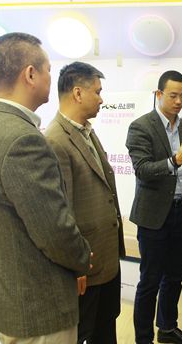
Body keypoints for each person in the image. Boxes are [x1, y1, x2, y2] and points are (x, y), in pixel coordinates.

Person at [0, 32, 91, 343]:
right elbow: (53, 230)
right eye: (49, 69)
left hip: (16, 299)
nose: (51, 77)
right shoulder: (23, 139)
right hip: (39, 306)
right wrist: (83, 256)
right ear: (31, 74)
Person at [45, 62, 125, 344]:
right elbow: (61, 212)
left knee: (106, 326)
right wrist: (76, 265)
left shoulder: (86, 131)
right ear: (78, 93)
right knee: (84, 333)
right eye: (97, 92)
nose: (101, 99)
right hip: (85, 264)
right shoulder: (55, 140)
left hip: (105, 257)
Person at [125, 70, 182, 344]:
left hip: (181, 210)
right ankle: (143, 339)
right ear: (158, 94)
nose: (179, 101)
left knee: (174, 276)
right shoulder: (141, 126)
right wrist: (175, 160)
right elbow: (142, 170)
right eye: (173, 95)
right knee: (149, 281)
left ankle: (167, 329)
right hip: (153, 215)